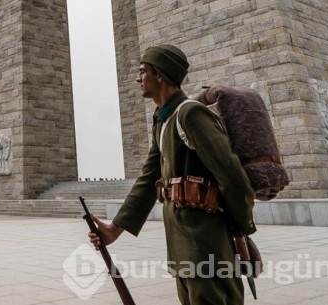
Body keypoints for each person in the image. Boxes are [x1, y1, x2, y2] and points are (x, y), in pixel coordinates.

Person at [87, 45, 256, 305]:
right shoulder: (162, 121)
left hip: (207, 245)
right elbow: (147, 180)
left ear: (160, 75)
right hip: (183, 246)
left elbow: (231, 176)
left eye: (143, 71)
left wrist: (243, 232)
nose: (137, 78)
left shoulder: (191, 114)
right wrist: (115, 228)